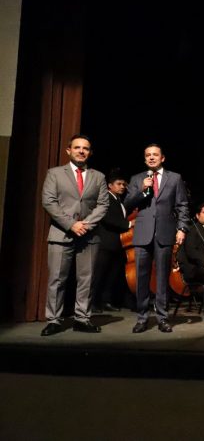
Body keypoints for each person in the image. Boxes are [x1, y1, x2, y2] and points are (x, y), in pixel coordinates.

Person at [40, 135, 109, 336]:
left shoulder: (98, 176)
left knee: (86, 279)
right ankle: (54, 320)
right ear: (68, 150)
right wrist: (71, 224)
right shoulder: (54, 173)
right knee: (57, 279)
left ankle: (82, 319)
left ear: (90, 152)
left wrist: (85, 225)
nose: (81, 151)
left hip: (89, 235)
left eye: (85, 148)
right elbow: (49, 201)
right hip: (61, 233)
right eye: (77, 147)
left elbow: (103, 205)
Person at [124, 143, 190, 333]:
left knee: (162, 278)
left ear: (162, 158)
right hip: (142, 233)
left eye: (155, 154)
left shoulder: (174, 178)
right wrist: (141, 189)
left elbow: (182, 205)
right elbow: (127, 205)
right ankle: (142, 318)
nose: (151, 157)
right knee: (141, 278)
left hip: (165, 232)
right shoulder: (137, 179)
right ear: (145, 159)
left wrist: (182, 228)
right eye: (148, 155)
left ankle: (162, 318)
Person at [91, 170, 132, 313]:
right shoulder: (106, 198)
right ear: (110, 185)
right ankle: (93, 303)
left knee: (112, 275)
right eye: (119, 184)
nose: (122, 187)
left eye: (124, 184)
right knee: (99, 274)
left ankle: (105, 301)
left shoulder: (119, 200)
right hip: (105, 243)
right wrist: (128, 224)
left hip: (117, 244)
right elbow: (107, 218)